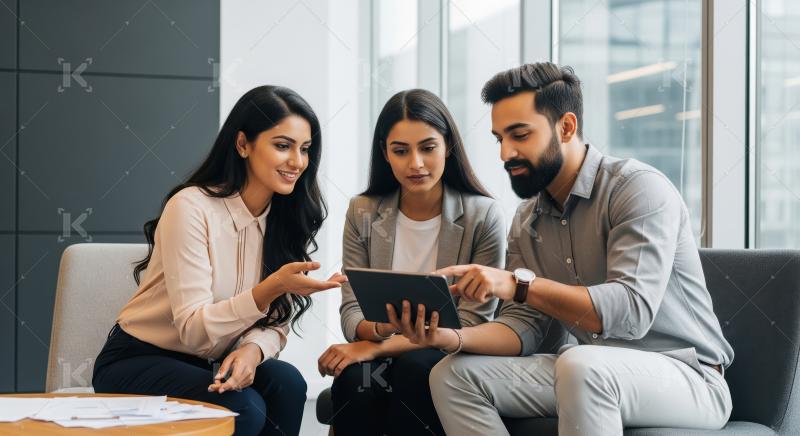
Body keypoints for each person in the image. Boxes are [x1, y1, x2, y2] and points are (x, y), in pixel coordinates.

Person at [413, 62, 733, 435]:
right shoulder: (526, 219)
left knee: (581, 365)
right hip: (586, 372)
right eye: (499, 138)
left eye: (520, 135)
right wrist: (451, 338)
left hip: (687, 379)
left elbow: (632, 311)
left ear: (566, 127)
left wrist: (516, 284)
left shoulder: (638, 189)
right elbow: (525, 327)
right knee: (453, 375)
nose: (505, 153)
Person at [92, 85, 347, 436]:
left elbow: (277, 323)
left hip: (211, 362)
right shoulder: (191, 208)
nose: (297, 162)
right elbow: (195, 332)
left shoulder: (284, 219)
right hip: (139, 359)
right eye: (282, 145)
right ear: (243, 144)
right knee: (244, 409)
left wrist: (254, 351)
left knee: (287, 383)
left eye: (305, 149)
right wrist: (269, 289)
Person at [318, 89, 505, 435]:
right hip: (381, 348)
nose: (415, 163)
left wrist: (371, 348)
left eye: (428, 148)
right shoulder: (363, 211)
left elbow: (471, 322)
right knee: (353, 381)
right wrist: (380, 331)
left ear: (448, 146)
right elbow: (351, 312)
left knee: (416, 369)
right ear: (385, 154)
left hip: (449, 352)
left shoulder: (483, 216)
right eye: (400, 151)